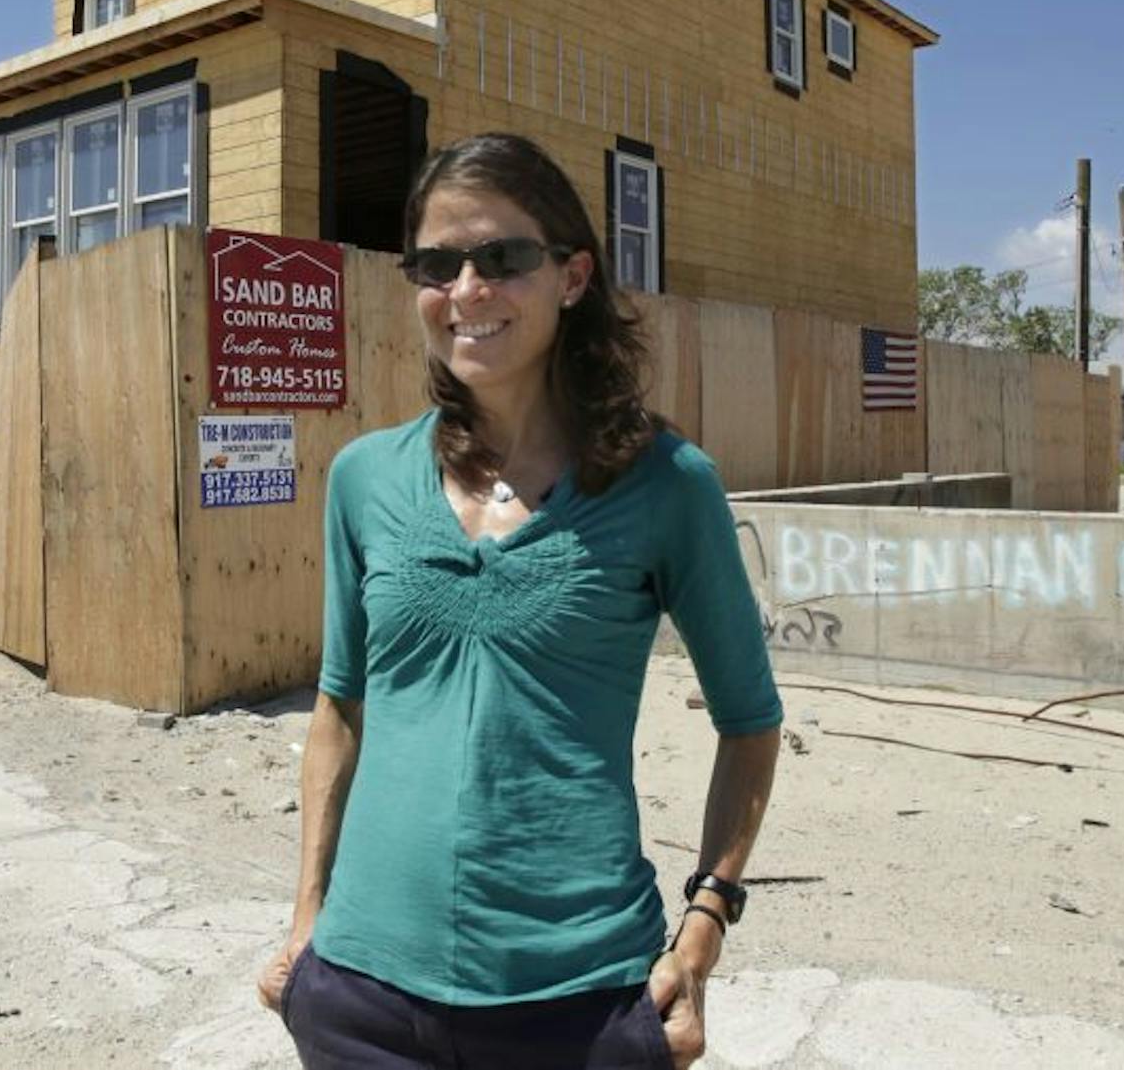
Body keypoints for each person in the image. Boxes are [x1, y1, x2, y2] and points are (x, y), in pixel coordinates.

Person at [256, 133, 784, 1068]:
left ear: (573, 275)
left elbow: (749, 723)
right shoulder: (363, 477)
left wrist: (705, 922)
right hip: (360, 999)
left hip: (579, 1009)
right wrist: (307, 927)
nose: (466, 289)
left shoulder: (667, 485)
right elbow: (340, 708)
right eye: (436, 262)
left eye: (501, 257)